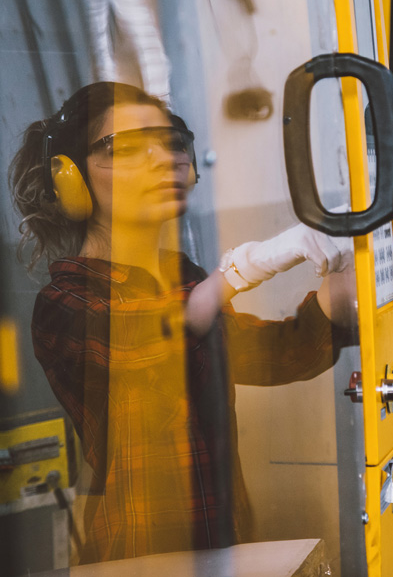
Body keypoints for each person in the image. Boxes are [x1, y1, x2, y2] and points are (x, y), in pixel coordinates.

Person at [8, 82, 357, 563]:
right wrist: (249, 265)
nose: (161, 158)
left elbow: (277, 355)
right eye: (125, 147)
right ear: (70, 179)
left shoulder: (184, 278)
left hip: (220, 547)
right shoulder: (65, 301)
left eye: (169, 141)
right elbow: (151, 336)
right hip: (138, 558)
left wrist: (359, 256)